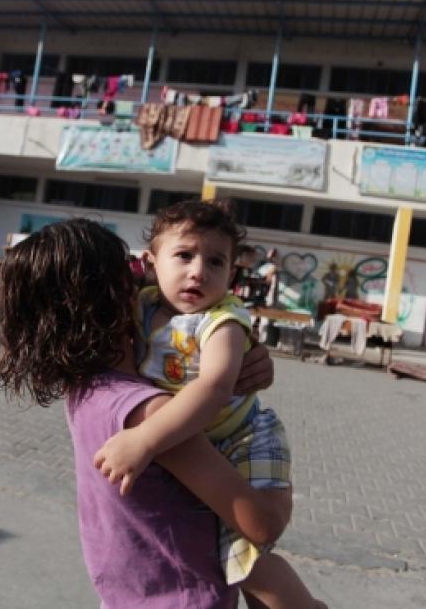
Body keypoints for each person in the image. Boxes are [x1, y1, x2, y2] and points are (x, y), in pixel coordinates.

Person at [0, 219, 294, 609]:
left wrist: (239, 361)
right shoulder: (153, 415)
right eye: (133, 271)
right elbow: (263, 524)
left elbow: (194, 366)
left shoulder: (87, 390)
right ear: (120, 293)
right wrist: (279, 490)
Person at [95, 201, 322, 608]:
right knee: (225, 554)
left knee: (248, 557)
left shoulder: (222, 319)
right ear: (151, 263)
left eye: (216, 262)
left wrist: (144, 439)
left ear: (231, 275)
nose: (199, 271)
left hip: (244, 440)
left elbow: (215, 387)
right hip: (204, 440)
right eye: (184, 255)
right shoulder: (143, 305)